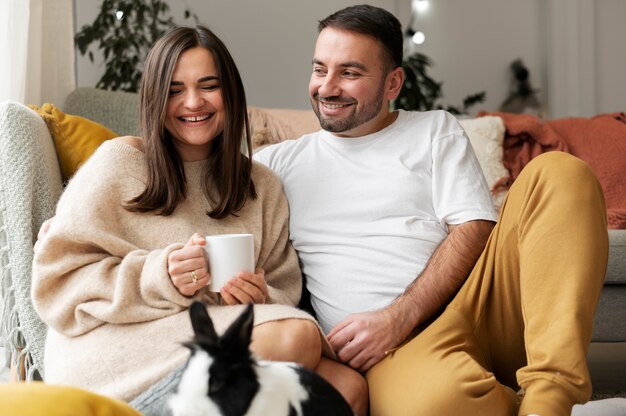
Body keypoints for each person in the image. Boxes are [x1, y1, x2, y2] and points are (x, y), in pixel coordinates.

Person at [253, 5, 608, 416]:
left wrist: (397, 316)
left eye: (349, 73)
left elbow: (474, 225)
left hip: (480, 303)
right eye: (320, 69)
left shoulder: (434, 129)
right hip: (393, 355)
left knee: (563, 173)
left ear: (393, 82)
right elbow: (205, 197)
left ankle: (549, 400)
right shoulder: (277, 164)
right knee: (439, 405)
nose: (327, 87)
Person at [31, 25, 367, 415]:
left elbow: (282, 289)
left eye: (208, 86)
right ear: (155, 99)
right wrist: (160, 275)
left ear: (230, 94)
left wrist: (258, 296)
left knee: (349, 388)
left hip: (214, 333)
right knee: (296, 337)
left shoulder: (260, 186)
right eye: (175, 90)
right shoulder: (119, 162)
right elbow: (56, 282)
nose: (193, 102)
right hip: (118, 341)